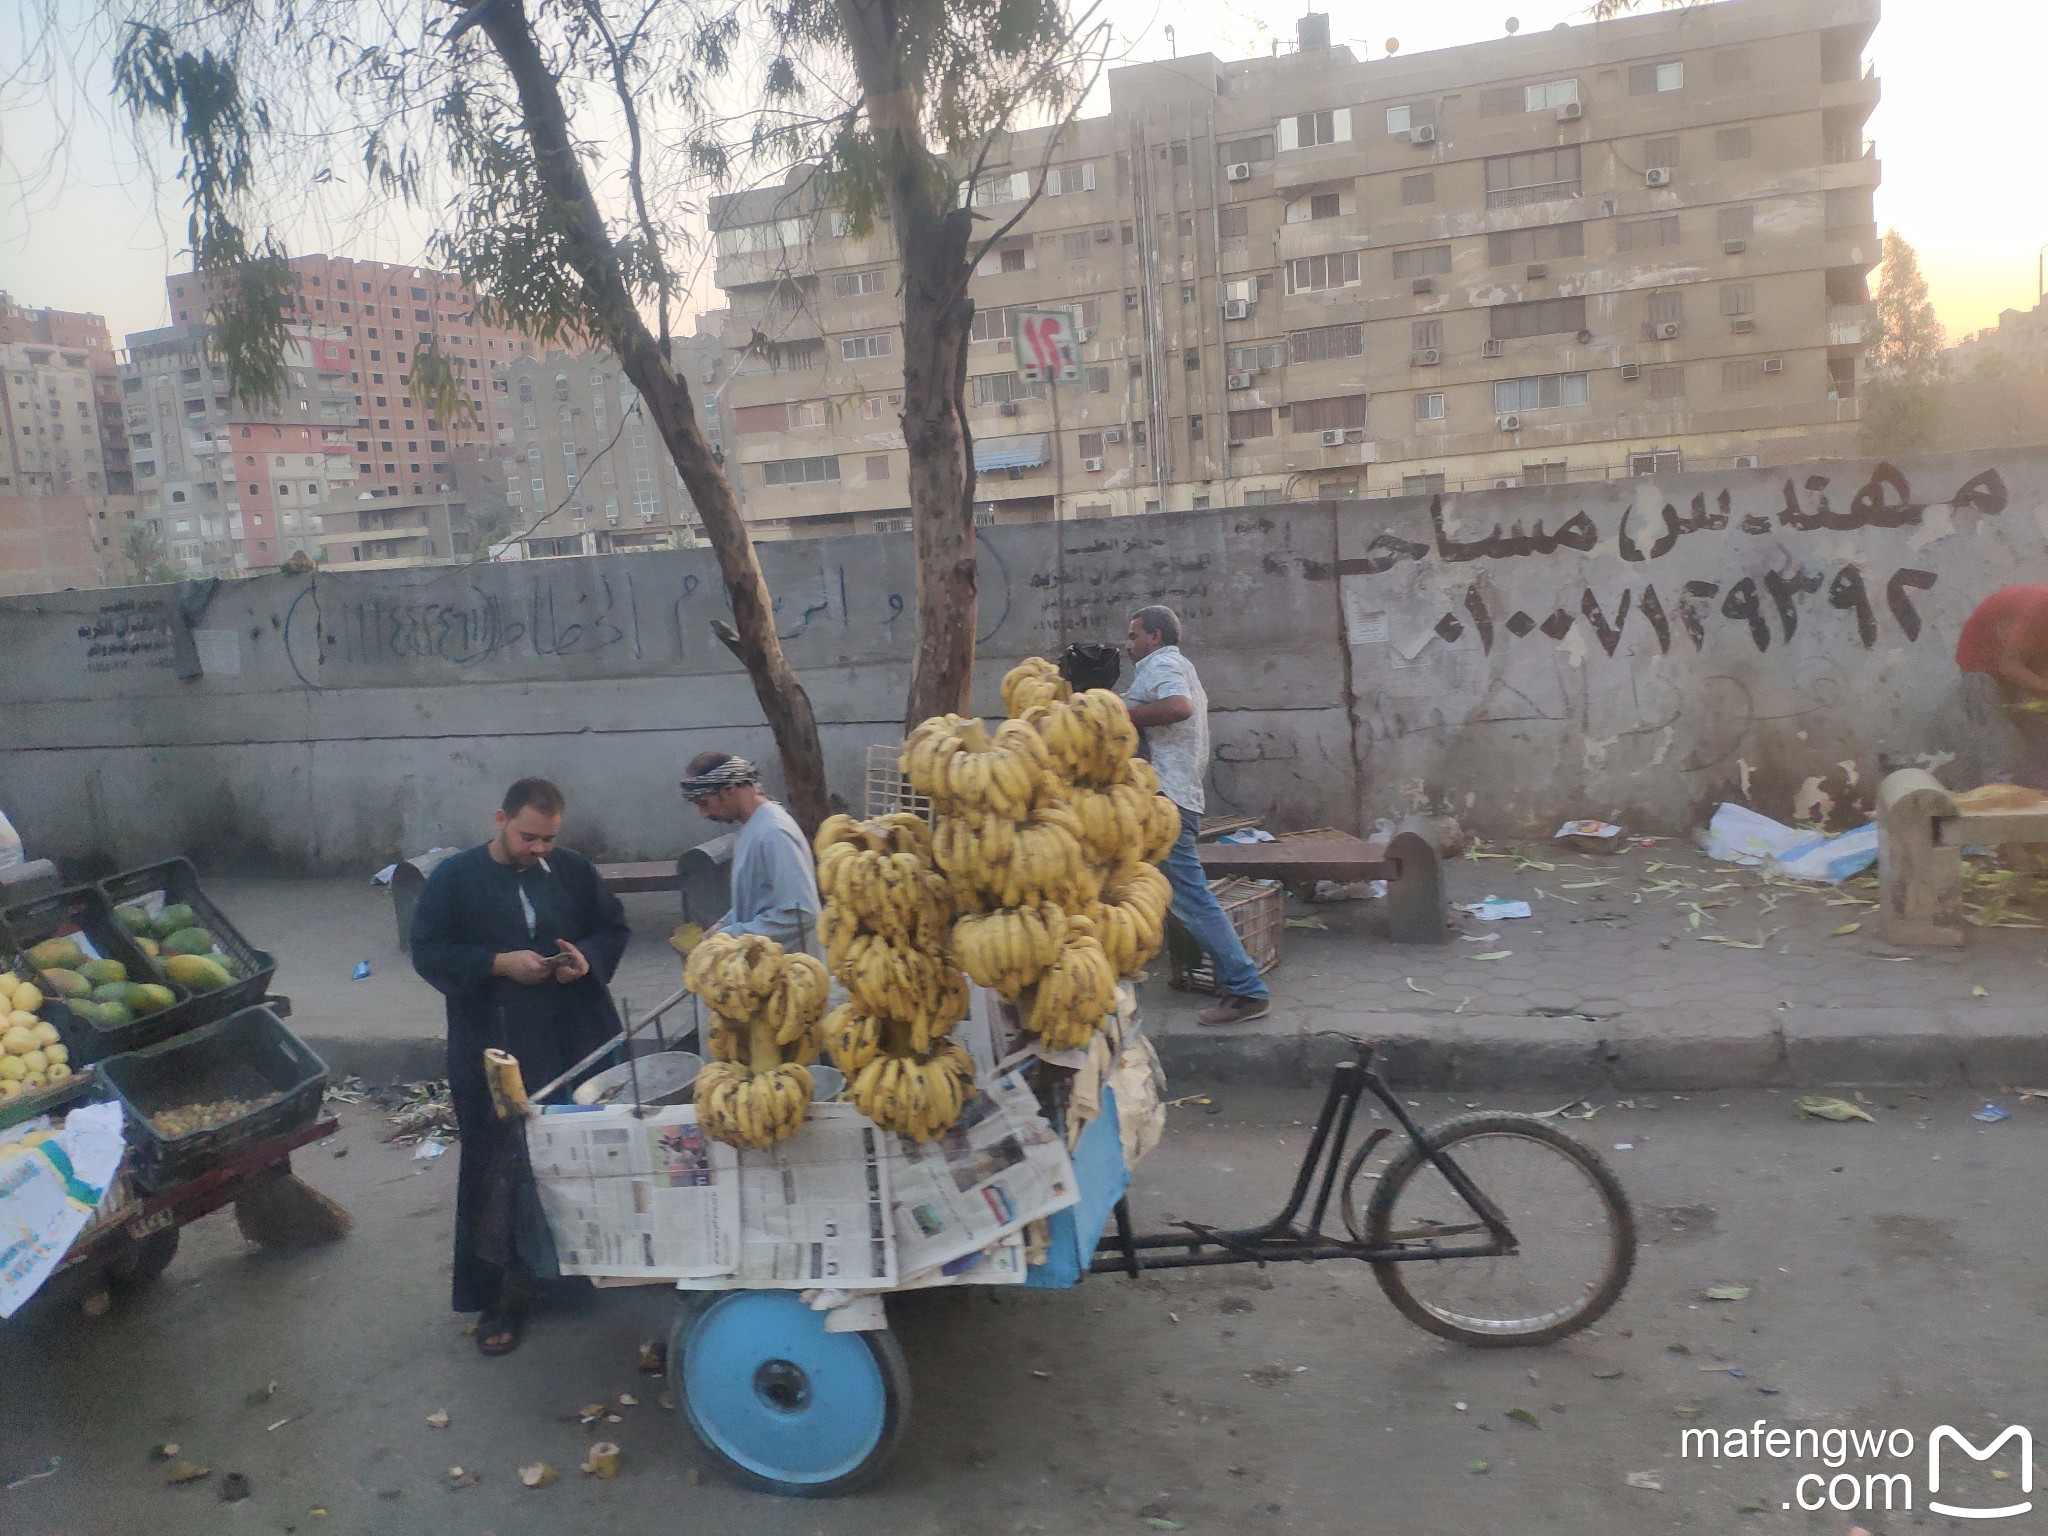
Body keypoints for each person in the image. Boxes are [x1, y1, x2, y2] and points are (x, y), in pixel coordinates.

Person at [410, 776, 631, 1356]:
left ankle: (580, 1271)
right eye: (530, 836)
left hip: (573, 1037)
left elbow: (613, 927)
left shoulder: (573, 869)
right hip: (494, 1046)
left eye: (549, 839)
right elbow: (428, 952)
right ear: (500, 819)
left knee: (581, 1154)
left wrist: (588, 960)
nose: (540, 850)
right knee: (499, 1166)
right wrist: (496, 963)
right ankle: (502, 1294)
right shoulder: (453, 879)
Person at [1122, 604, 1272, 1026]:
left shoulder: (1163, 662)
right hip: (1170, 796)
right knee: (1157, 889)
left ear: (1154, 636)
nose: (1128, 644)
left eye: (1134, 635)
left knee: (1191, 897)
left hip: (1167, 799)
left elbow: (1177, 708)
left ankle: (1247, 990)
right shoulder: (1171, 666)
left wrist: (1118, 715)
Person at [681, 752, 822, 952]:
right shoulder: (752, 827)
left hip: (791, 973)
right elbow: (757, 900)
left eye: (704, 803)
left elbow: (801, 913)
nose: (703, 815)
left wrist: (731, 935)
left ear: (729, 790)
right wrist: (724, 924)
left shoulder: (774, 832)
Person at [1956, 585, 2048, 790]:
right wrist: (2044, 689)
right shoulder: (2040, 608)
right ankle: (1997, 811)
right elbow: (2009, 665)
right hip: (1982, 664)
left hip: (2021, 661)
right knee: (1998, 749)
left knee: (2042, 742)